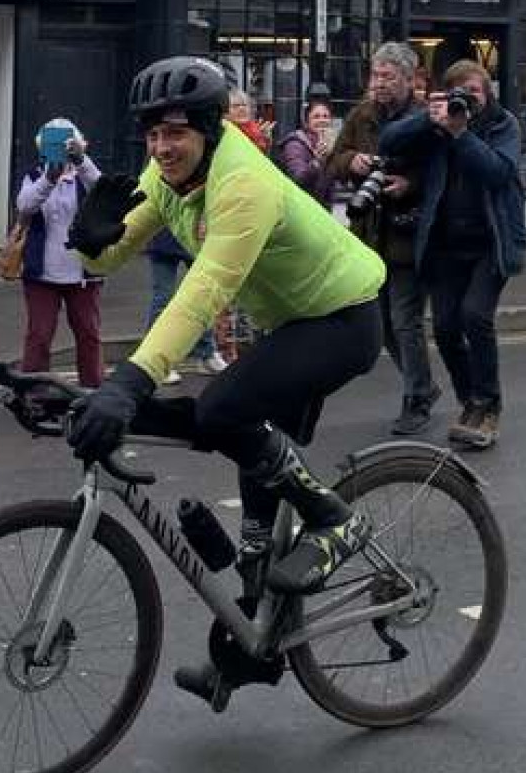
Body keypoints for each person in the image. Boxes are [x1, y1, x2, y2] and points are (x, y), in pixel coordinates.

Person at [64, 55, 385, 690]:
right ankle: (250, 648)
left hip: (342, 317)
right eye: (153, 134)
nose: (162, 147)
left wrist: (130, 382)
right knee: (254, 526)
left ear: (209, 130)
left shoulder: (243, 184)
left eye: (175, 133)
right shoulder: (169, 178)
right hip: (287, 321)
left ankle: (338, 520)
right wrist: (89, 237)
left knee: (221, 410)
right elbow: (111, 254)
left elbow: (205, 289)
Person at [380, 60, 526, 451]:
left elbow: (498, 172)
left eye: (474, 92)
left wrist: (461, 134)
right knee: (444, 329)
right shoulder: (438, 125)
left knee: (475, 317)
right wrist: (428, 118)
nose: (468, 100)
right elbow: (388, 141)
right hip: (445, 244)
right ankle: (470, 402)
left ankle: (490, 406)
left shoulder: (503, 125)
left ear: (488, 92)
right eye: (461, 93)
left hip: (489, 244)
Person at [329, 43, 435, 437]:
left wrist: (410, 183)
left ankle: (418, 400)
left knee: (405, 322)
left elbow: (443, 171)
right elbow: (334, 161)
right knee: (384, 325)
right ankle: (422, 385)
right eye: (376, 75)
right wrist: (351, 162)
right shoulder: (362, 115)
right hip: (369, 236)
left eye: (388, 76)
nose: (379, 83)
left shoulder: (425, 119)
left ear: (410, 80)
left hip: (408, 234)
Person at [16, 117, 105, 388]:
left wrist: (82, 160)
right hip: (42, 273)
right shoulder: (34, 176)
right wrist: (49, 178)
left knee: (89, 334)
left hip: (83, 272)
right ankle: (32, 390)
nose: (61, 152)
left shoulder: (85, 177)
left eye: (67, 146)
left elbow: (105, 192)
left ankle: (93, 389)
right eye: (53, 146)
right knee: (39, 336)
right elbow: (25, 206)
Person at [145, 227, 228, 384]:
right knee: (163, 299)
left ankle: (207, 353)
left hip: (194, 235)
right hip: (165, 236)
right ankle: (156, 362)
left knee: (204, 295)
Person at [279, 97, 336, 209]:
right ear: (307, 122)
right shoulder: (295, 144)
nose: (322, 120)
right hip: (300, 209)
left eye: (326, 116)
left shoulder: (329, 143)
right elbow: (298, 180)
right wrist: (317, 162)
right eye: (316, 117)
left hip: (323, 209)